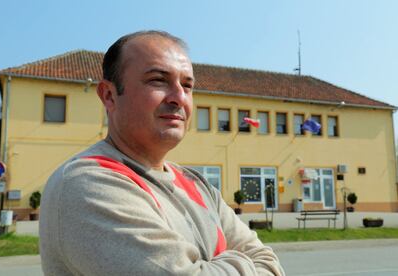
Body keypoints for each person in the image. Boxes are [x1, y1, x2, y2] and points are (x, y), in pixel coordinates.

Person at [39, 30, 285, 275]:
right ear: (109, 95)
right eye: (158, 80)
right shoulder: (86, 183)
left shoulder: (198, 185)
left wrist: (216, 267)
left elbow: (269, 261)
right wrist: (243, 263)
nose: (179, 97)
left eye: (187, 85)